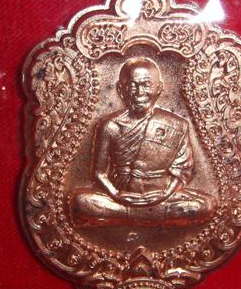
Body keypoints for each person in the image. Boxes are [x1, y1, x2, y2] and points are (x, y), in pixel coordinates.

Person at [71, 57, 216, 227]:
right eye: (133, 85)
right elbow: (99, 173)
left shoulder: (177, 125)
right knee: (82, 202)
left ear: (158, 88)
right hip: (121, 196)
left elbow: (182, 171)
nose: (139, 92)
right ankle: (150, 215)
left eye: (146, 84)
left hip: (163, 196)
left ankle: (129, 215)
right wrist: (116, 194)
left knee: (205, 205)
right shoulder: (110, 126)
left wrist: (164, 195)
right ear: (121, 89)